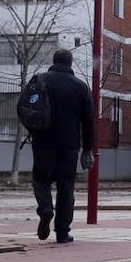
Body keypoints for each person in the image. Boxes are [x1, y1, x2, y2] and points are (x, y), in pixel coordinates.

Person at [30, 49, 94, 243]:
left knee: (41, 180)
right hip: (69, 145)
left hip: (43, 142)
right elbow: (89, 120)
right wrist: (87, 149)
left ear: (54, 61)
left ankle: (46, 209)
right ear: (70, 63)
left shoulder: (39, 79)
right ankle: (62, 232)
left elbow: (25, 107)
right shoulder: (81, 87)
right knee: (66, 187)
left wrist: (33, 130)